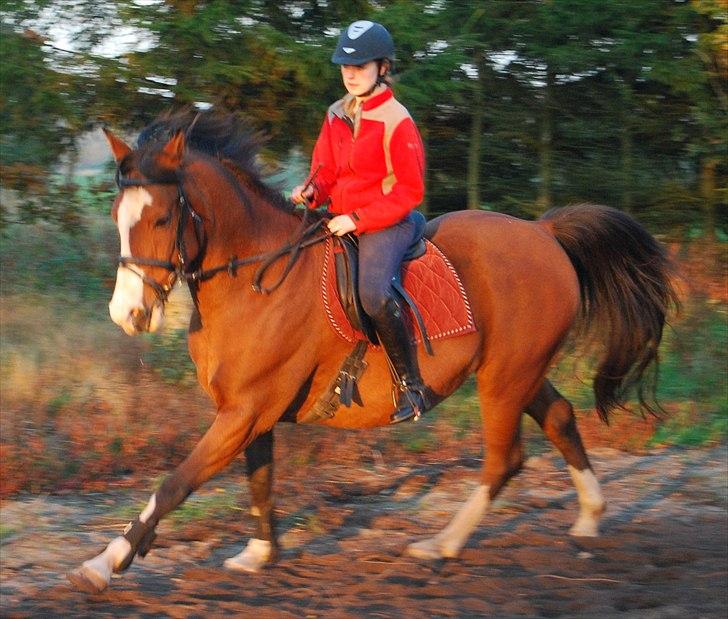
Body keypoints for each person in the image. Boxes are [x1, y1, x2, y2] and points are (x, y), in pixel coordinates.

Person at [291, 20, 428, 424]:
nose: (350, 73)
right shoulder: (336, 113)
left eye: (361, 66)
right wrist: (311, 192)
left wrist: (357, 218)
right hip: (340, 218)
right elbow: (326, 170)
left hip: (388, 222)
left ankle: (411, 386)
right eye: (345, 66)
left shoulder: (396, 119)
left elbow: (408, 190)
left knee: (372, 294)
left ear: (382, 68)